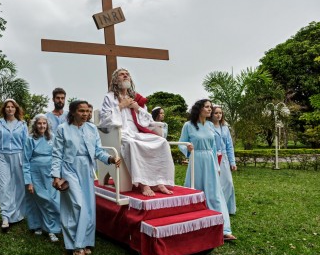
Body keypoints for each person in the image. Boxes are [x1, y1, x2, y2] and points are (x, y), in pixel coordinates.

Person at [52, 100, 121, 255]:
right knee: (77, 205)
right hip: (69, 168)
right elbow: (56, 154)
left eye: (87, 111)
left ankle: (84, 242)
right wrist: (55, 176)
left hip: (87, 168)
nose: (85, 114)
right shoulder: (63, 129)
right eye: (81, 111)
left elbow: (98, 151)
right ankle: (76, 245)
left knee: (88, 206)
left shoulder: (91, 128)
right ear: (73, 112)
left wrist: (110, 159)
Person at [98, 68, 175, 196]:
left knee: (161, 142)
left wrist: (136, 107)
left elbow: (147, 119)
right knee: (132, 144)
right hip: (120, 133)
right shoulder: (110, 97)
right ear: (115, 80)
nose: (125, 76)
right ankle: (144, 184)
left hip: (136, 132)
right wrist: (121, 105)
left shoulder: (135, 97)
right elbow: (105, 120)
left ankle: (158, 181)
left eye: (127, 74)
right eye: (122, 74)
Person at [178, 99, 237, 241]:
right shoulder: (188, 125)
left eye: (211, 107)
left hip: (210, 161)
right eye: (207, 107)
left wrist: (216, 166)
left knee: (215, 194)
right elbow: (181, 143)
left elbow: (214, 148)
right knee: (196, 191)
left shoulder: (211, 125)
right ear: (199, 109)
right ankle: (194, 225)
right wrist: (188, 148)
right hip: (196, 160)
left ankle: (224, 229)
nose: (210, 109)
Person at [0, 99, 28, 232]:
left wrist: (26, 162)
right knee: (4, 186)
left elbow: (25, 145)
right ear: (4, 109)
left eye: (12, 107)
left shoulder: (22, 124)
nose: (10, 109)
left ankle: (17, 213)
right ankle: (5, 216)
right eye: (8, 107)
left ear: (16, 109)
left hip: (19, 156)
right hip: (2, 157)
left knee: (19, 186)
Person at [23, 114, 61, 242]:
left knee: (52, 200)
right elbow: (26, 161)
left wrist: (57, 174)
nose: (42, 126)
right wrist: (28, 182)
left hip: (50, 173)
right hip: (36, 174)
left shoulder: (52, 137)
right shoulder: (30, 140)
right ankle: (38, 225)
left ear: (47, 125)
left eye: (44, 123)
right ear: (35, 125)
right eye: (39, 123)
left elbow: (57, 156)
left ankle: (52, 229)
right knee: (39, 200)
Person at [209, 105, 237, 215]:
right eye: (216, 113)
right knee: (215, 183)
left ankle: (225, 207)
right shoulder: (208, 126)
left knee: (228, 183)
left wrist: (232, 162)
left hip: (224, 157)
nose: (218, 115)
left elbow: (229, 146)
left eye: (220, 113)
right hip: (212, 157)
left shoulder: (225, 128)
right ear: (212, 114)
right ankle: (215, 207)